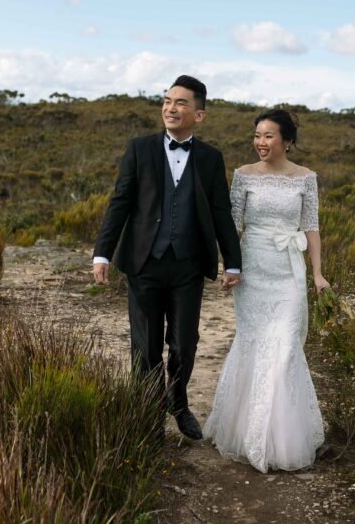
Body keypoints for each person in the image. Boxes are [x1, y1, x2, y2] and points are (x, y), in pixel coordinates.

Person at [92, 75, 242, 440]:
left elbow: (221, 211)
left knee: (184, 343)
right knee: (144, 345)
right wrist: (102, 253)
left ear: (200, 115)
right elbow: (120, 202)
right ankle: (148, 411)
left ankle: (178, 402)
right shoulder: (139, 148)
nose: (170, 108)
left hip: (188, 265)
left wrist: (232, 261)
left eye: (180, 103)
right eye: (166, 101)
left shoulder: (210, 158)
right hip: (144, 262)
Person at [203, 108, 328, 472]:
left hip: (289, 271)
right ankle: (250, 433)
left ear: (287, 141)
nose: (260, 142)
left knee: (287, 346)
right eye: (257, 135)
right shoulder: (243, 176)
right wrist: (231, 266)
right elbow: (232, 224)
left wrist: (317, 274)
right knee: (254, 344)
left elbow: (312, 228)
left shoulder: (306, 179)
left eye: (268, 136)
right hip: (254, 270)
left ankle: (282, 437)